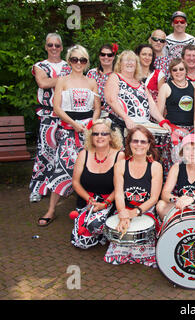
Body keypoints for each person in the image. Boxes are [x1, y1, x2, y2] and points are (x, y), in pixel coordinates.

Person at [37, 45, 100, 226]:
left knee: (90, 168)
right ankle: (51, 210)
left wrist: (89, 125)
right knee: (61, 167)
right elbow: (57, 107)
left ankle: (88, 205)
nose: (78, 63)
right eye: (74, 59)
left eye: (82, 60)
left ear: (87, 62)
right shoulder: (62, 81)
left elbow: (97, 108)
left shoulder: (91, 82)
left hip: (87, 132)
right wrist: (74, 124)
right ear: (69, 60)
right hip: (67, 130)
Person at [104, 125, 163, 267]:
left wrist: (135, 213)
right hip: (124, 208)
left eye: (143, 142)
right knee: (115, 257)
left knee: (145, 256)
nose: (139, 145)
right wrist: (123, 213)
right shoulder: (120, 165)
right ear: (129, 143)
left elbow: (154, 198)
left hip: (145, 211)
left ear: (149, 145)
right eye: (135, 141)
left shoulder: (155, 167)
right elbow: (118, 193)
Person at [29, 33, 71, 203]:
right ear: (46, 47)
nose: (54, 48)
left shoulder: (68, 64)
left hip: (67, 114)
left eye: (57, 45)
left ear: (61, 47)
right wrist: (65, 79)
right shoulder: (40, 66)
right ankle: (38, 188)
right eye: (51, 45)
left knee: (65, 152)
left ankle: (62, 187)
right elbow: (43, 83)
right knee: (45, 152)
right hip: (48, 115)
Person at [71, 119, 124, 249]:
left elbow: (119, 188)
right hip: (88, 201)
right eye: (95, 134)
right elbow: (75, 183)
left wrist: (104, 203)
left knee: (95, 226)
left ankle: (103, 230)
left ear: (111, 136)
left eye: (104, 134)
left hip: (109, 202)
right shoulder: (84, 154)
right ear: (91, 136)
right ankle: (98, 231)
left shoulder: (120, 155)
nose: (99, 137)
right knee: (81, 241)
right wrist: (89, 200)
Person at [104, 50, 168, 137]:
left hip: (142, 126)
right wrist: (126, 118)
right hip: (122, 125)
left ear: (136, 65)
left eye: (132, 60)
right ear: (120, 64)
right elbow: (111, 100)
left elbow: (152, 106)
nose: (129, 63)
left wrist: (162, 121)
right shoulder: (115, 77)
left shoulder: (141, 84)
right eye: (126, 60)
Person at [156, 134, 195, 219]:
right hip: (181, 206)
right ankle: (172, 230)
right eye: (187, 149)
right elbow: (165, 193)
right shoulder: (177, 167)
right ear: (182, 152)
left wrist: (191, 200)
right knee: (161, 205)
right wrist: (178, 200)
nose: (191, 153)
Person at [157, 58, 195, 171]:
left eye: (181, 69)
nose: (178, 72)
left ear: (186, 70)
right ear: (171, 72)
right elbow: (158, 113)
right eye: (175, 70)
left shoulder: (193, 85)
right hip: (174, 131)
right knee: (174, 164)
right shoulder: (166, 87)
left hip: (191, 130)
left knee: (190, 162)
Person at [86, 43, 118, 117]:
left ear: (114, 56)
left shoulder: (118, 76)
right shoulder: (91, 73)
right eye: (103, 54)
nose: (106, 57)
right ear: (99, 56)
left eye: (109, 55)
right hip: (91, 113)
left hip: (111, 114)